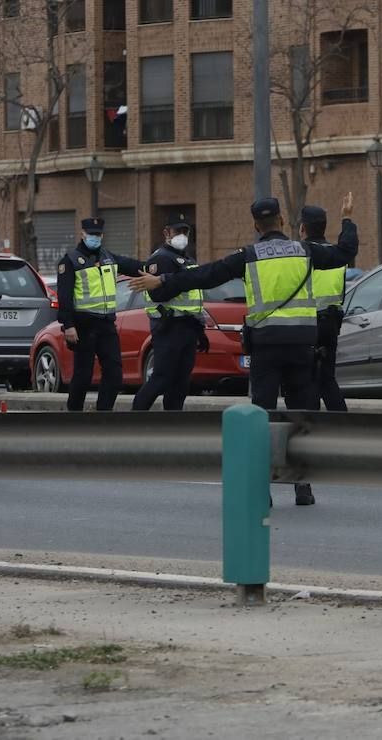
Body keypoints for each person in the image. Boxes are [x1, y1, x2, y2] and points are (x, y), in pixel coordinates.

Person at [131, 194, 358, 507]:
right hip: (301, 346)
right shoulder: (304, 250)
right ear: (280, 220)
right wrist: (347, 219)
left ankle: (260, 490)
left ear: (256, 225)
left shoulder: (249, 255)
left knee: (260, 418)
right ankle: (302, 487)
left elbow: (205, 274)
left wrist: (163, 281)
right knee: (299, 415)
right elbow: (345, 252)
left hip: (266, 347)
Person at [55, 216, 148, 412]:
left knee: (114, 373)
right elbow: (64, 296)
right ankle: (74, 414)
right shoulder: (71, 260)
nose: (95, 238)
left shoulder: (108, 257)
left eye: (98, 235)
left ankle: (103, 414)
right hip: (83, 325)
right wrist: (68, 325)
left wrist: (157, 266)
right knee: (83, 375)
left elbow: (134, 266)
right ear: (83, 234)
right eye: (91, 234)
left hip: (106, 324)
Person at [132, 214, 208, 412]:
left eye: (185, 231)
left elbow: (194, 297)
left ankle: (173, 421)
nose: (182, 235)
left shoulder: (187, 259)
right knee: (161, 378)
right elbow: (158, 293)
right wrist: (183, 279)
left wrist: (201, 331)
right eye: (178, 231)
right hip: (169, 327)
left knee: (181, 382)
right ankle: (134, 418)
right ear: (166, 233)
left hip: (188, 326)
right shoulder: (160, 258)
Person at [302, 205, 348, 412]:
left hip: (308, 324)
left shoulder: (302, 255)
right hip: (331, 323)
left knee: (307, 378)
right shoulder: (336, 255)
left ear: (303, 228)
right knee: (328, 377)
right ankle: (341, 422)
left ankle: (311, 424)